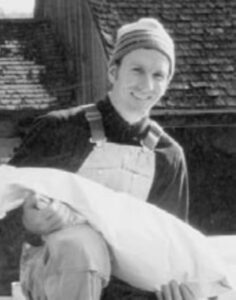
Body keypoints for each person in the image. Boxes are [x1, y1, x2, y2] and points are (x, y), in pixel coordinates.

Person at [6, 17, 192, 300]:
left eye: (158, 75)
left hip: (128, 289)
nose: (147, 84)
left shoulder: (168, 157)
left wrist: (180, 289)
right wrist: (29, 225)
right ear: (113, 71)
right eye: (137, 70)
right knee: (81, 245)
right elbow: (6, 207)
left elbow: (170, 244)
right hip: (54, 279)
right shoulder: (59, 128)